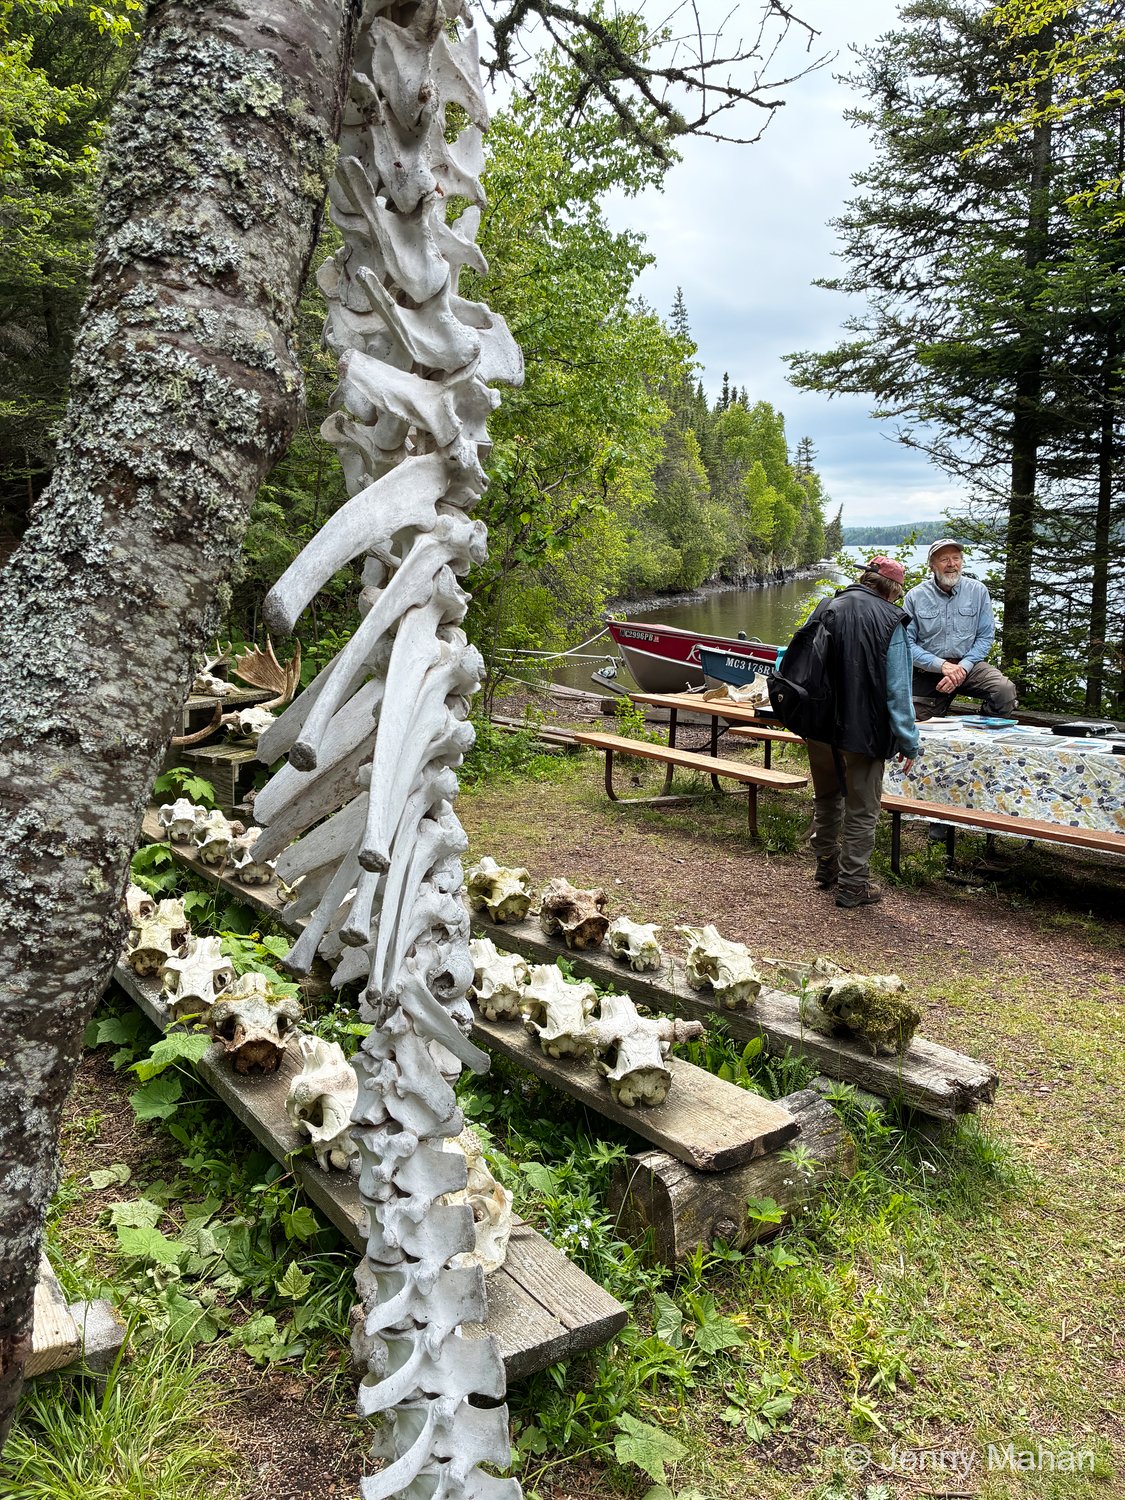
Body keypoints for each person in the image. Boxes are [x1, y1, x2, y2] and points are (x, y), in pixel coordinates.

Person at [805, 556, 920, 908]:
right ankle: (853, 884)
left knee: (827, 796)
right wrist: (909, 741)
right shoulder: (891, 621)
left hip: (819, 726)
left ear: (864, 579)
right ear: (894, 590)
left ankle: (826, 865)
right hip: (863, 732)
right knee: (863, 808)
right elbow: (898, 692)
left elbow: (797, 662)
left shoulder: (828, 607)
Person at [904, 539, 1018, 719]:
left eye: (956, 558)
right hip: (927, 670)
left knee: (1004, 692)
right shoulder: (915, 596)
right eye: (944, 559)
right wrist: (942, 666)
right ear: (932, 565)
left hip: (969, 665)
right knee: (913, 718)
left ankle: (982, 732)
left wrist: (962, 668)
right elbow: (906, 645)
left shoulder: (978, 591)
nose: (951, 564)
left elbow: (985, 637)